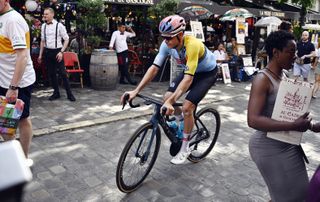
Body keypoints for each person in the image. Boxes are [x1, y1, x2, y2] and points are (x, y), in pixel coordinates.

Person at [121, 15, 217, 164]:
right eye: (163, 37)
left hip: (206, 74)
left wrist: (173, 101)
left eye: (169, 38)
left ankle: (184, 148)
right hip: (190, 71)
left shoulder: (192, 45)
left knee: (187, 107)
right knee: (166, 97)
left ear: (180, 35)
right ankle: (181, 124)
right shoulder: (167, 45)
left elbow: (188, 79)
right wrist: (136, 91)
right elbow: (154, 69)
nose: (165, 41)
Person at [247, 31, 311, 201]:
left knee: (301, 193)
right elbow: (253, 120)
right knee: (285, 197)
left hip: (288, 144)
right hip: (268, 147)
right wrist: (293, 126)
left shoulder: (284, 75)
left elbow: (289, 115)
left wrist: (310, 125)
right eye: (291, 51)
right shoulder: (262, 79)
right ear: (275, 52)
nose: (295, 56)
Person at [0, 0, 36, 165]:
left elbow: (22, 56)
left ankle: (23, 159)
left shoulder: (13, 20)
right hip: (4, 80)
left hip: (18, 82)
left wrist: (13, 87)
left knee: (21, 119)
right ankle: (14, 157)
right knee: (6, 123)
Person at [38, 7, 76, 102]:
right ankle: (56, 93)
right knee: (51, 74)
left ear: (52, 14)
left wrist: (61, 52)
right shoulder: (43, 26)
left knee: (63, 73)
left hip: (57, 52)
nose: (44, 16)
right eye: (44, 14)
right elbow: (42, 41)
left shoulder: (59, 25)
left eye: (46, 14)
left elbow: (66, 39)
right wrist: (40, 55)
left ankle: (69, 94)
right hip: (47, 52)